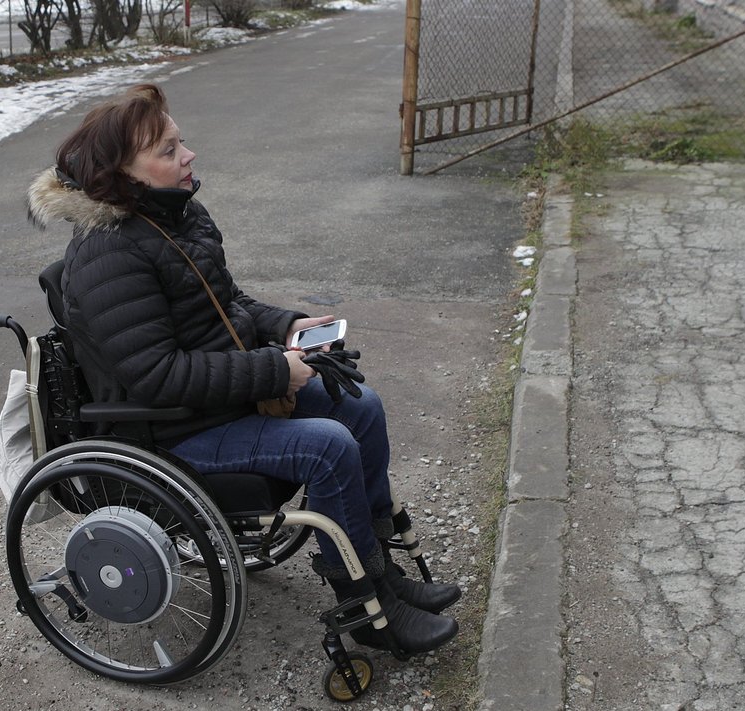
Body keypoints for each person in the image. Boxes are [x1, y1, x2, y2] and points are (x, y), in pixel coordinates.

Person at [26, 83, 459, 655]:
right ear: (122, 176)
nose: (189, 156)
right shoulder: (109, 256)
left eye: (181, 142)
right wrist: (275, 373)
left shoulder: (175, 217)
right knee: (328, 445)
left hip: (217, 402)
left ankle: (381, 574)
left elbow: (226, 304)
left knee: (362, 407)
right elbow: (157, 376)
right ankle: (368, 609)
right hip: (170, 431)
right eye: (169, 150)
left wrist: (286, 327)